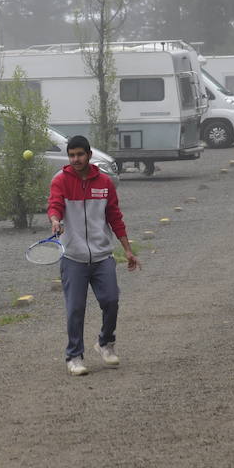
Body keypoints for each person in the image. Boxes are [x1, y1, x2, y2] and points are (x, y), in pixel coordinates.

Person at [47, 135, 140, 376]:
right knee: (75, 309)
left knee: (111, 300)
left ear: (89, 155)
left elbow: (115, 217)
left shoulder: (105, 183)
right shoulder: (60, 180)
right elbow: (54, 205)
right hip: (73, 258)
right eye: (71, 155)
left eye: (79, 154)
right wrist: (55, 220)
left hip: (102, 256)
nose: (75, 159)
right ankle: (74, 356)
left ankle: (105, 342)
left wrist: (127, 250)